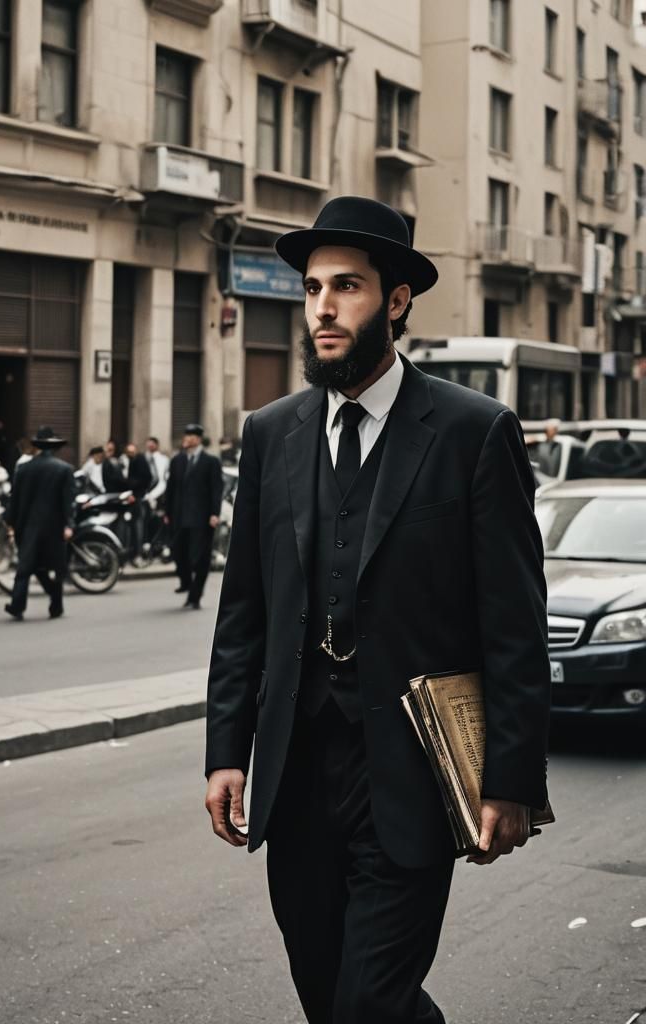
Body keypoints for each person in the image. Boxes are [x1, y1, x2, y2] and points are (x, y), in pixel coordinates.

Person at [203, 196, 551, 1024]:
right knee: (326, 994)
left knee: (370, 1000)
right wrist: (226, 752)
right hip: (296, 771)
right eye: (313, 288)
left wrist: (511, 781)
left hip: (409, 772)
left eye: (347, 287)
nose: (323, 307)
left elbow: (514, 625)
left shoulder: (473, 431)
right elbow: (243, 610)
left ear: (396, 301)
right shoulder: (271, 433)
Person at [3, 425, 76, 622]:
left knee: (26, 567)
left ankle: (17, 604)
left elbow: (14, 499)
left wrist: (10, 522)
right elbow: (68, 502)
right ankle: (56, 603)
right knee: (53, 567)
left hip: (29, 527)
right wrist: (69, 525)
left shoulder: (24, 469)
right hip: (54, 527)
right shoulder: (64, 469)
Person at [164, 423, 222, 610]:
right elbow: (171, 488)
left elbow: (216, 489)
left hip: (202, 518)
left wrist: (215, 513)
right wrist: (166, 512)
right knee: (178, 553)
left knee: (200, 558)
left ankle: (195, 597)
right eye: (186, 435)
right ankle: (186, 582)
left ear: (197, 439)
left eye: (190, 436)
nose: (186, 439)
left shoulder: (211, 462)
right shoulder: (177, 461)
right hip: (179, 516)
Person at [144, 436, 169, 508]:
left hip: (159, 490)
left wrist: (152, 495)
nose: (150, 447)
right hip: (145, 490)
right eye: (148, 445)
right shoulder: (143, 458)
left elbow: (165, 477)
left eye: (152, 445)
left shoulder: (164, 459)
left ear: (157, 445)